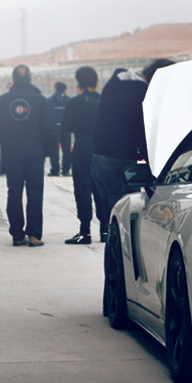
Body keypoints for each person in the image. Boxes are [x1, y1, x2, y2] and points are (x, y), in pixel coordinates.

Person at [91, 59, 174, 240]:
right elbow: (142, 129)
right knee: (124, 215)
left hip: (98, 157)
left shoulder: (115, 83)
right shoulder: (141, 92)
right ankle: (119, 249)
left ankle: (111, 241)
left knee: (110, 213)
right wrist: (151, 160)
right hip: (120, 160)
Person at [0, 64, 56, 247]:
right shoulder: (40, 100)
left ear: (13, 80)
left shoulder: (4, 100)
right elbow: (50, 129)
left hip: (12, 154)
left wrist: (7, 143)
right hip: (35, 153)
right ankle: (34, 235)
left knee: (14, 193)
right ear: (30, 79)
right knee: (35, 193)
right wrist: (45, 151)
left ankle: (17, 234)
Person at [61, 67, 105, 244]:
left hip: (81, 149)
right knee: (101, 188)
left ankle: (85, 232)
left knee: (82, 189)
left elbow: (66, 127)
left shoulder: (75, 102)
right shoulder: (104, 101)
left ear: (79, 83)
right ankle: (105, 230)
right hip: (102, 149)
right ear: (96, 81)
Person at [47, 81, 72, 177]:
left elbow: (47, 115)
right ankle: (66, 170)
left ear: (55, 88)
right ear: (65, 90)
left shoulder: (49, 100)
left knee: (54, 149)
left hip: (54, 128)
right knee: (66, 150)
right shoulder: (69, 100)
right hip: (66, 128)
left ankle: (55, 170)